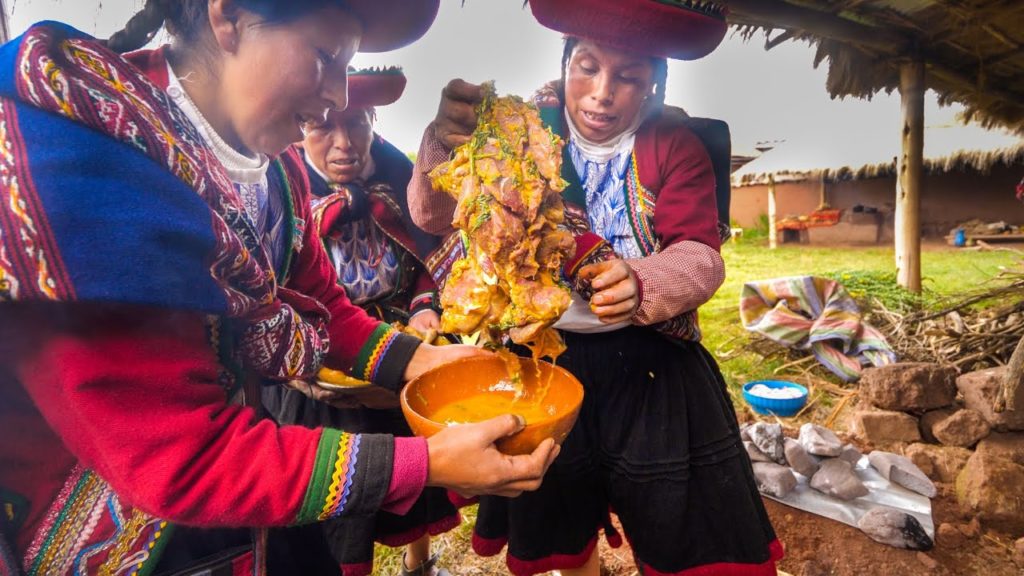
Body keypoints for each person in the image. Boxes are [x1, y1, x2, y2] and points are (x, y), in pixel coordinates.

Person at [0, 2, 560, 575]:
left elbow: (326, 309)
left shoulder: (274, 172)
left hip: (245, 486)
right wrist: (427, 460)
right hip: (118, 529)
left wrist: (428, 361)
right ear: (230, 19)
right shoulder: (88, 169)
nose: (340, 97)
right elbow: (183, 459)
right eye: (325, 58)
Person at [407, 0, 781, 574]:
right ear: (563, 67)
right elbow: (433, 215)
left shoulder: (676, 145)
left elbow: (700, 255)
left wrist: (642, 279)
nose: (602, 91)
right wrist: (443, 137)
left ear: (654, 86)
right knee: (560, 507)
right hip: (544, 362)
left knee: (679, 520)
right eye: (586, 66)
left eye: (628, 77)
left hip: (653, 365)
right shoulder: (519, 131)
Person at [262, 67, 456, 576]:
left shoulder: (398, 179)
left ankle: (421, 564)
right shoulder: (277, 189)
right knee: (342, 497)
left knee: (419, 467)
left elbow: (425, 263)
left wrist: (425, 309)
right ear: (300, 124)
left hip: (397, 341)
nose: (344, 143)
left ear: (375, 121)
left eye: (359, 124)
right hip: (320, 363)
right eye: (323, 126)